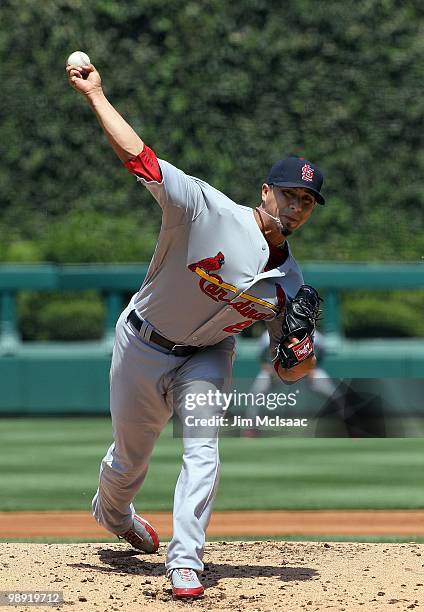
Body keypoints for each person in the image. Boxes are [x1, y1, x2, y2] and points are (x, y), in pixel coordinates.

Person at [66, 60, 326, 599]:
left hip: (207, 357)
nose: (297, 206)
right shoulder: (204, 208)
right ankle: (115, 515)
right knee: (128, 460)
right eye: (289, 194)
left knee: (203, 450)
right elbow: (140, 158)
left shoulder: (290, 282)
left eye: (306, 202)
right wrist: (96, 95)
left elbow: (291, 371)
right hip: (141, 340)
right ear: (265, 192)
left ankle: (185, 561)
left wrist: (300, 353)